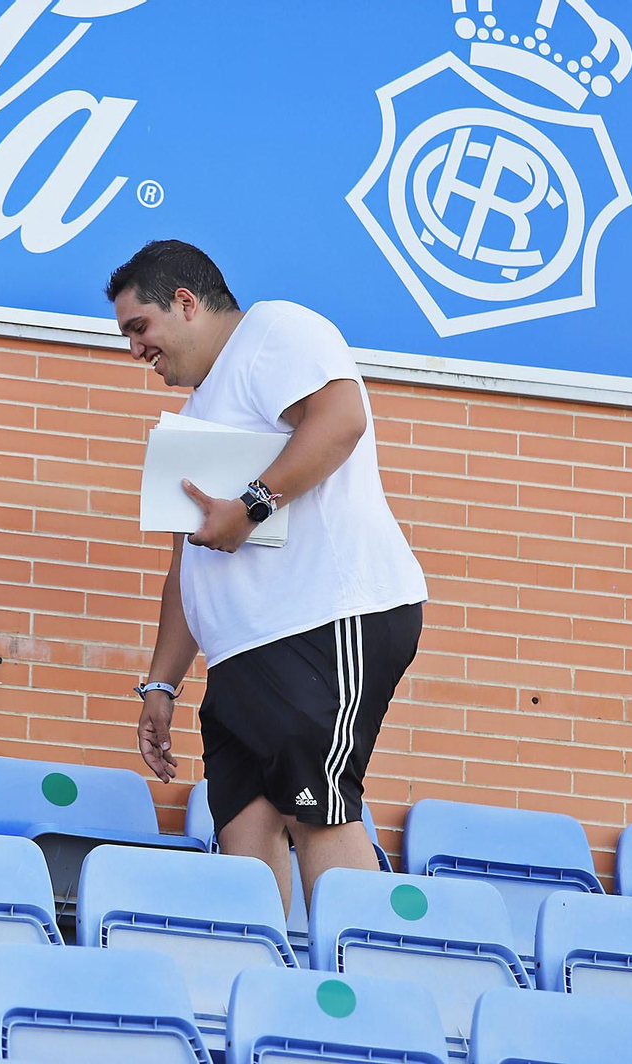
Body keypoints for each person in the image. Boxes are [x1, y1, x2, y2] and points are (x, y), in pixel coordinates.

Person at [106, 239, 427, 913]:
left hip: (324, 619)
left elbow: (341, 420)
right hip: (241, 656)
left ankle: (362, 994)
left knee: (319, 811)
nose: (135, 349)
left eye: (140, 328)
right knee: (242, 830)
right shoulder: (192, 421)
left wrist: (251, 506)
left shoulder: (274, 331)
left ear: (186, 304)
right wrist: (161, 683)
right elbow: (184, 564)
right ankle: (257, 996)